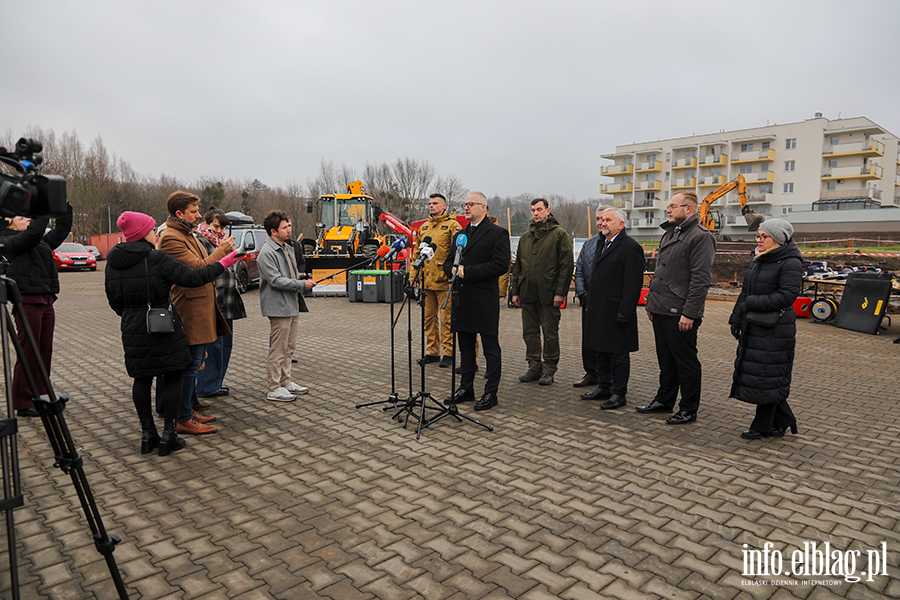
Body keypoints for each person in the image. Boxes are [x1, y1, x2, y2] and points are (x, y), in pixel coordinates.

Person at [105, 211, 238, 456]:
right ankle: (169, 434)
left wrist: (132, 315)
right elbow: (194, 277)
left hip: (132, 326)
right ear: (141, 232)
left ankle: (147, 434)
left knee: (142, 379)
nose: (155, 232)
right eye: (151, 228)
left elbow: (113, 300)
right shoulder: (156, 258)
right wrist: (223, 263)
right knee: (174, 374)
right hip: (163, 324)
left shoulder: (112, 260)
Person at [158, 191, 235, 435]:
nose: (199, 215)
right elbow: (198, 269)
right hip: (189, 308)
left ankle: (188, 408)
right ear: (179, 213)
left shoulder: (186, 233)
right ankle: (183, 417)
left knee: (194, 364)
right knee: (190, 366)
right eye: (194, 211)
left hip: (199, 305)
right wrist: (222, 252)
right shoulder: (171, 238)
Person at [638, 191, 716, 424]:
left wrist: (690, 313)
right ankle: (664, 400)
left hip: (680, 312)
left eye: (673, 206)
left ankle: (688, 408)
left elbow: (700, 279)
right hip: (662, 308)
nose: (669, 210)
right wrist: (652, 303)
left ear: (689, 209)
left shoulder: (700, 237)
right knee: (666, 359)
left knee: (685, 362)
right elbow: (662, 271)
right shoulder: (671, 232)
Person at [728, 219, 802, 439]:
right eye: (757, 236)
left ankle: (762, 426)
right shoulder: (758, 259)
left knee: (766, 376)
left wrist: (752, 303)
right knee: (766, 376)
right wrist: (736, 318)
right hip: (755, 324)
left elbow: (787, 296)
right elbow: (745, 292)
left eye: (764, 237)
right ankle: (784, 420)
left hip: (775, 328)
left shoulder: (790, 261)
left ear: (778, 239)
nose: (759, 240)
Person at [0, 204, 73, 418]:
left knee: (44, 350)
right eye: (23, 217)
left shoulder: (39, 240)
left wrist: (62, 206)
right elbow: (32, 234)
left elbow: (59, 233)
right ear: (10, 222)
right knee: (28, 351)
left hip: (46, 298)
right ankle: (23, 402)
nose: (28, 220)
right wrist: (43, 210)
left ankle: (42, 393)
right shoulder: (8, 239)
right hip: (28, 299)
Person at [443, 192, 510, 411]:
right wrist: (451, 269)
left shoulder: (497, 233)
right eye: (464, 204)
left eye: (471, 204)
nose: (466, 208)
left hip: (484, 299)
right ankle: (466, 388)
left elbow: (500, 265)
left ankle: (491, 393)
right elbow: (448, 262)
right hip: (463, 299)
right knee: (466, 347)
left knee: (490, 348)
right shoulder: (460, 235)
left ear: (484, 207)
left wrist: (467, 272)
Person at [580, 207, 645, 409]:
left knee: (618, 355)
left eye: (608, 220)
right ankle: (604, 386)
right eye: (602, 220)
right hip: (599, 309)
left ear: (621, 224)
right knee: (601, 351)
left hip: (617, 312)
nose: (603, 223)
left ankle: (619, 393)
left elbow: (633, 284)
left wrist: (625, 312)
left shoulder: (630, 247)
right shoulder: (602, 243)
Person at [509, 198, 574, 386]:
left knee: (550, 333)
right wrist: (515, 291)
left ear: (548, 211)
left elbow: (566, 266)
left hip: (549, 294)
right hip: (527, 293)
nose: (536, 213)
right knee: (529, 332)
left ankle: (549, 369)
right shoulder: (525, 238)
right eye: (533, 210)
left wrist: (560, 292)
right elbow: (518, 267)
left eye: (539, 209)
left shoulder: (559, 234)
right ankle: (534, 366)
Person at [258, 210, 316, 402]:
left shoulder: (287, 247)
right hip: (278, 307)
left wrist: (302, 278)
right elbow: (275, 280)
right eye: (285, 227)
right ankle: (274, 387)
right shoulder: (267, 253)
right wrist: (301, 285)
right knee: (278, 349)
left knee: (289, 348)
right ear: (273, 231)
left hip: (292, 304)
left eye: (289, 225)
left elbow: (290, 274)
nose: (289, 229)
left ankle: (286, 381)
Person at [196, 208, 247, 400]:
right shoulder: (200, 241)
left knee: (226, 346)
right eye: (216, 226)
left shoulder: (223, 242)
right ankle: (206, 386)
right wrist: (222, 251)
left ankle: (216, 382)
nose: (220, 230)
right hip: (212, 302)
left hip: (228, 300)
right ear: (207, 224)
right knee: (213, 347)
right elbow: (205, 267)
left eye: (223, 226)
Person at [411, 193, 460, 369]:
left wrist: (454, 276)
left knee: (447, 319)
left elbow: (458, 253)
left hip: (444, 281)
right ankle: (432, 352)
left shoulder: (452, 226)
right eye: (430, 203)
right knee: (428, 318)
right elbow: (416, 253)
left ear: (444, 206)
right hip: (426, 281)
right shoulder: (424, 228)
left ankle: (448, 353)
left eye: (435, 203)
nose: (431, 206)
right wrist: (412, 277)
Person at [573, 208, 603, 389]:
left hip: (607, 303)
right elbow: (580, 271)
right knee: (588, 340)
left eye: (605, 219)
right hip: (588, 301)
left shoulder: (624, 245)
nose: (600, 222)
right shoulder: (589, 244)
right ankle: (592, 372)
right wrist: (582, 293)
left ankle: (609, 377)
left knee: (606, 342)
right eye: (598, 219)